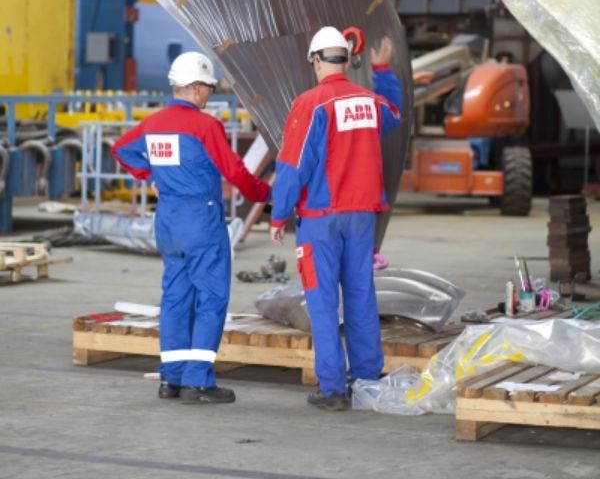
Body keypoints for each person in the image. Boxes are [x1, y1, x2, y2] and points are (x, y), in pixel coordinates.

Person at [112, 51, 270, 404]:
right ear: (197, 87)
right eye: (208, 89)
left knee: (175, 299)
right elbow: (236, 172)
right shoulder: (205, 126)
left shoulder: (152, 124)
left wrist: (150, 175)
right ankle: (199, 381)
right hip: (201, 220)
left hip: (168, 220)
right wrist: (267, 194)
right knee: (211, 299)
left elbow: (121, 149)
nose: (208, 95)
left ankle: (171, 379)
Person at [270, 26, 403, 411]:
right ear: (347, 59)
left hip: (321, 220)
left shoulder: (311, 104)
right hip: (362, 217)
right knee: (361, 296)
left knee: (323, 301)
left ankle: (332, 389)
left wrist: (279, 215)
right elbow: (394, 112)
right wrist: (382, 69)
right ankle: (365, 378)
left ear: (315, 60)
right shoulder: (369, 101)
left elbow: (293, 165)